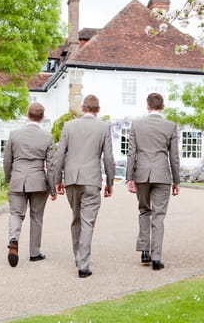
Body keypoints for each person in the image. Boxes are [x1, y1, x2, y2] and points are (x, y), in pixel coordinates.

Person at [53, 94, 115, 278]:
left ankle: (78, 256)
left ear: (82, 107)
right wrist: (110, 182)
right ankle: (83, 264)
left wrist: (57, 180)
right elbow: (109, 158)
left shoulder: (69, 126)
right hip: (92, 179)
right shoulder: (104, 127)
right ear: (98, 110)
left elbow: (60, 155)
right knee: (87, 221)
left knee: (76, 219)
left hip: (72, 178)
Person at [126, 93, 180, 271]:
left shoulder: (137, 124)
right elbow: (174, 157)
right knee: (158, 216)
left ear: (147, 106)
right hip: (162, 174)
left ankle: (144, 250)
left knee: (144, 211)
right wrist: (176, 181)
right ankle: (156, 257)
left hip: (142, 174)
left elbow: (131, 153)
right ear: (163, 106)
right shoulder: (170, 126)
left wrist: (129, 177)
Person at [3, 102, 57, 267]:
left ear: (28, 115)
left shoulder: (14, 135)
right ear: (42, 117)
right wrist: (53, 187)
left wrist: (9, 178)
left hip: (18, 179)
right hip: (38, 181)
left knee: (16, 214)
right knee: (36, 217)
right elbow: (52, 165)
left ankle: (13, 239)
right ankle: (34, 253)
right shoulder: (47, 137)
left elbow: (7, 160)